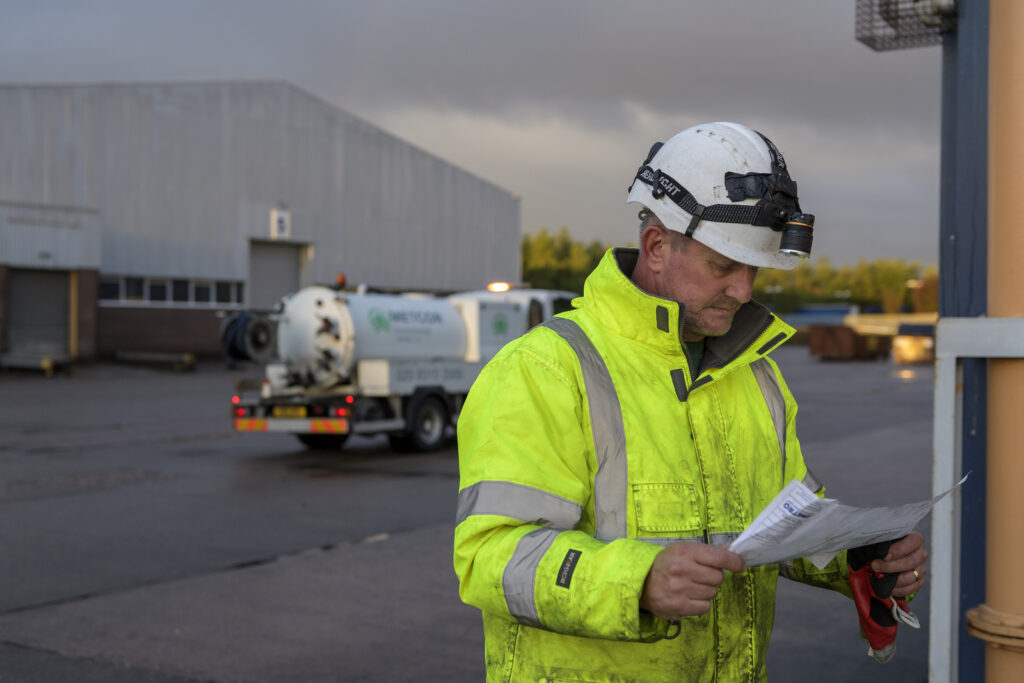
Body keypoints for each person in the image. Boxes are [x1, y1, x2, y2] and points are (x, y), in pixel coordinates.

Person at [453, 122, 928, 682]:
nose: (744, 290)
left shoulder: (758, 376)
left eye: (753, 269)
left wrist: (856, 555)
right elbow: (491, 558)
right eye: (723, 267)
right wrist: (640, 580)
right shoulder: (545, 370)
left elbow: (784, 523)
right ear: (657, 247)